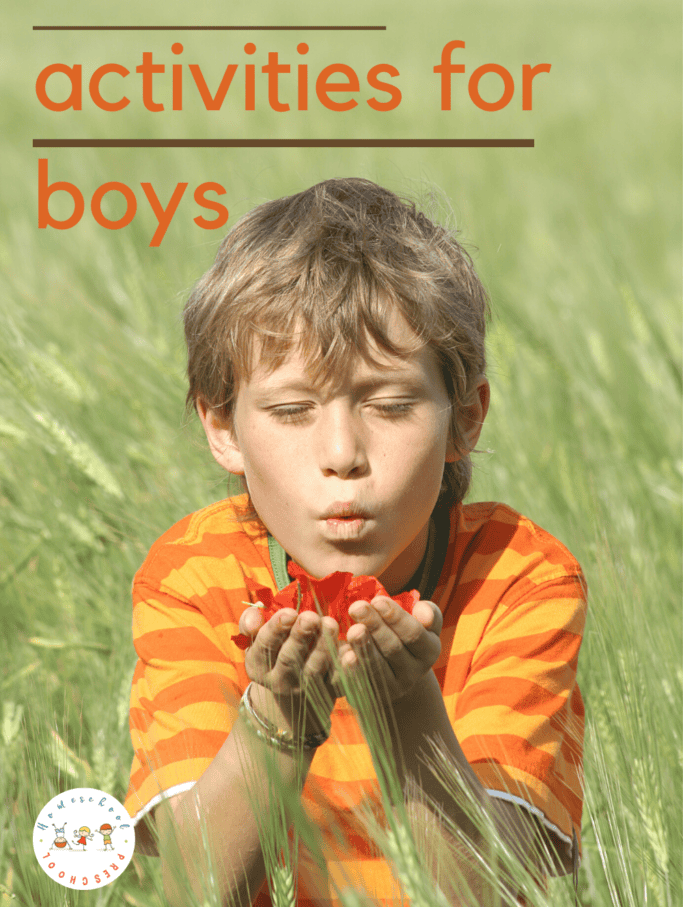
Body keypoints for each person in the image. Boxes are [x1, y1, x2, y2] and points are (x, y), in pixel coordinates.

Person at [124, 178, 586, 907]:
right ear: (222, 428)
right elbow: (192, 887)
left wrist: (405, 708)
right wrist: (279, 717)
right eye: (291, 410)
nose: (342, 454)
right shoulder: (194, 576)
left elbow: (486, 889)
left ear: (465, 418)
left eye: (391, 404)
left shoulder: (517, 577)